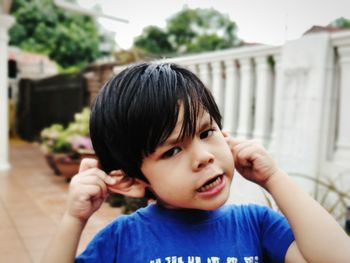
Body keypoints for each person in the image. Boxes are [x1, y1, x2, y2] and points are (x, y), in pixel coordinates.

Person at [42, 62, 350, 263]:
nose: (204, 156)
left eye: (206, 132)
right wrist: (74, 219)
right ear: (132, 182)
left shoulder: (257, 226)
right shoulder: (121, 240)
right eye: (172, 151)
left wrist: (274, 177)